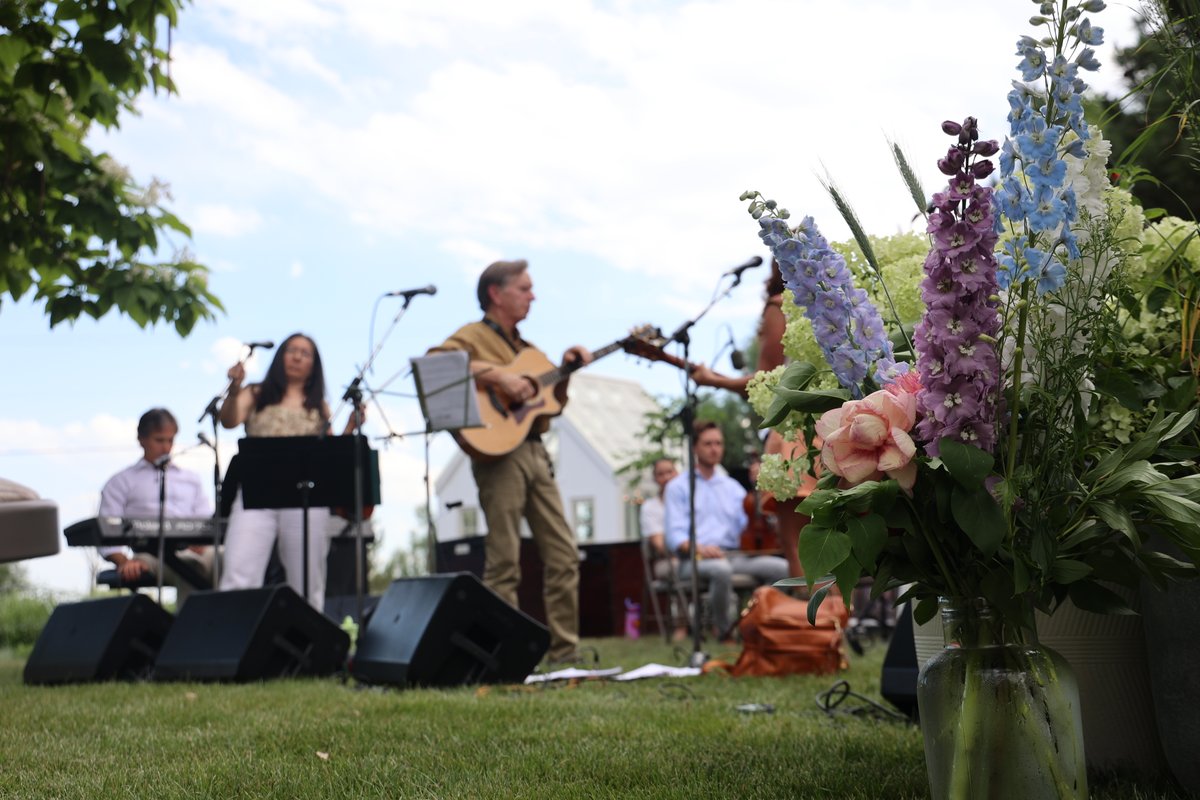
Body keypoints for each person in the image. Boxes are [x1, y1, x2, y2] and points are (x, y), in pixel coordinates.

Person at [428, 259, 591, 664]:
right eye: (524, 288)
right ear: (496, 294)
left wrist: (567, 371)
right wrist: (498, 377)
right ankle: (502, 658)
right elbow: (436, 365)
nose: (532, 296)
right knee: (504, 559)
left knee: (564, 554)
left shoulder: (530, 351)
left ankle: (564, 653)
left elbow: (551, 405)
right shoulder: (472, 335)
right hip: (498, 454)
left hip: (535, 450)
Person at [217, 332, 363, 611]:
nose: (297, 357)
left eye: (305, 353)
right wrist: (234, 390)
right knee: (239, 572)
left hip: (305, 497)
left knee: (307, 581)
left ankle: (306, 636)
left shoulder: (319, 405)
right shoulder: (256, 393)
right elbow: (229, 420)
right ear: (280, 356)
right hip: (256, 492)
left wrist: (349, 428)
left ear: (314, 364)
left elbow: (328, 454)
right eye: (291, 350)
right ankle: (233, 633)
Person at [689, 260, 814, 578]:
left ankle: (814, 611)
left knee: (801, 551)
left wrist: (712, 380)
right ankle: (836, 611)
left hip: (797, 435)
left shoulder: (780, 305)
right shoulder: (836, 302)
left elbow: (766, 380)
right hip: (835, 428)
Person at [664, 420, 789, 641]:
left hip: (733, 555)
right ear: (694, 448)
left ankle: (756, 623)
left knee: (782, 569)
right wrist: (700, 548)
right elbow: (674, 536)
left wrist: (760, 487)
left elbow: (749, 525)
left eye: (718, 443)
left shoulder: (732, 487)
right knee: (720, 570)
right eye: (708, 443)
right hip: (694, 559)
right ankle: (725, 632)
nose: (714, 449)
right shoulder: (678, 486)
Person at [98, 408, 214, 606]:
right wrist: (124, 561)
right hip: (149, 554)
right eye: (159, 440)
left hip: (195, 551)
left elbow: (207, 521)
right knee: (192, 567)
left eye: (170, 440)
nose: (166, 447)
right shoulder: (121, 481)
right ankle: (191, 623)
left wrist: (202, 540)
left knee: (231, 558)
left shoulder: (191, 479)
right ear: (141, 439)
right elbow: (105, 531)